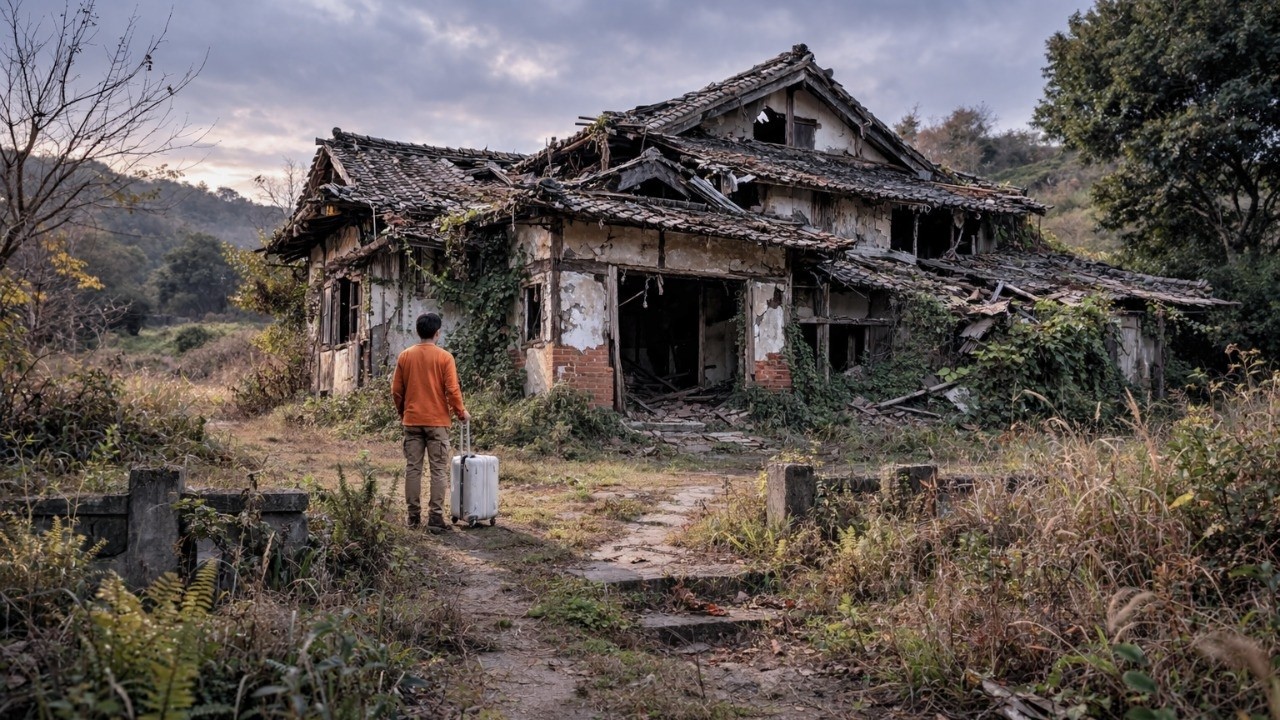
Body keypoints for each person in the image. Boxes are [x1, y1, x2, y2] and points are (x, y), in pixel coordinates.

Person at [391, 312, 470, 532]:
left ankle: (413, 518)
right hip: (437, 422)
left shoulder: (405, 356)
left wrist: (403, 413)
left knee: (413, 469)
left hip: (412, 420)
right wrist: (461, 413)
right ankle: (435, 518)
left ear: (417, 331)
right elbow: (452, 390)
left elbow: (396, 391)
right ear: (437, 333)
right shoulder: (445, 357)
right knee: (438, 470)